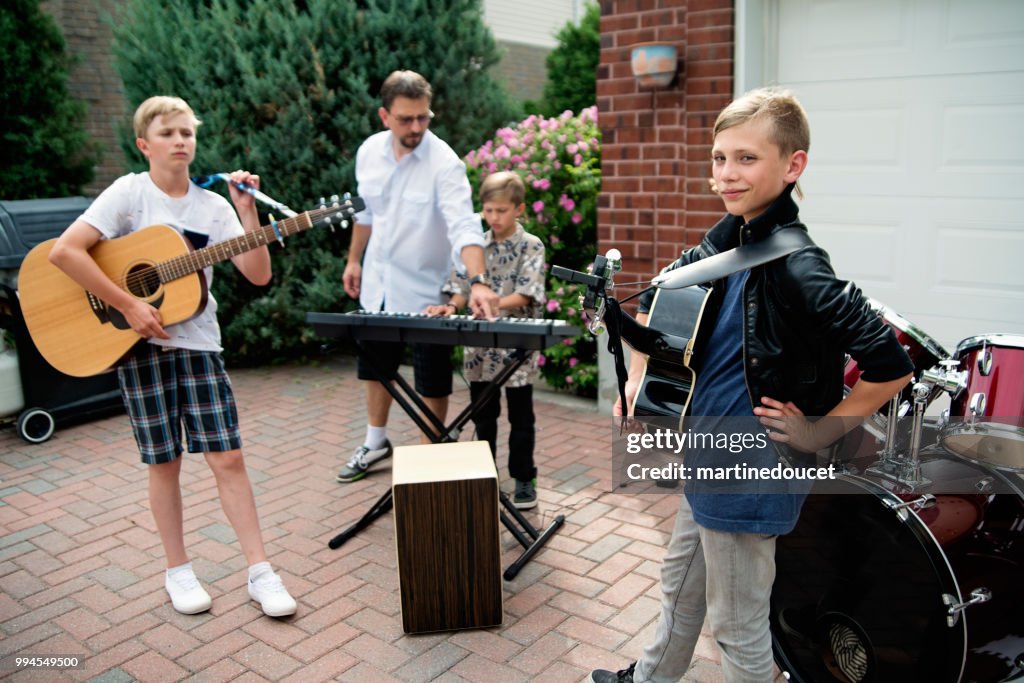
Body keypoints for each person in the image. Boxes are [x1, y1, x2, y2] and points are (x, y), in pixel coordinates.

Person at [588, 88, 914, 682]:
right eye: (719, 158)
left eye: (746, 158)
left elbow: (891, 365)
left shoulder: (798, 263)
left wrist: (819, 432)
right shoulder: (731, 237)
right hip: (709, 454)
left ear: (793, 166)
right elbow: (672, 322)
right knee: (681, 584)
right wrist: (631, 364)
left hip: (750, 470)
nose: (727, 174)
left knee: (737, 628)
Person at [48, 96, 297, 618]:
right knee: (163, 462)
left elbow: (258, 275)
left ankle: (260, 571)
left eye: (187, 132)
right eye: (168, 133)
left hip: (199, 343)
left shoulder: (214, 208)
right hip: (139, 345)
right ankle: (178, 571)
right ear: (145, 144)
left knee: (228, 456)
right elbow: (64, 253)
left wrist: (247, 210)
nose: (181, 140)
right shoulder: (129, 194)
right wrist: (128, 304)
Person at [338, 69, 500, 483]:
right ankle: (376, 442)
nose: (416, 127)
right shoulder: (369, 152)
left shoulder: (444, 163)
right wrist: (354, 260)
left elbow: (465, 226)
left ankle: (430, 456)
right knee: (375, 367)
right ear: (384, 116)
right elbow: (365, 213)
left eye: (423, 118)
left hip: (430, 289)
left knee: (432, 376)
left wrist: (478, 280)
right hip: (378, 283)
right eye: (406, 119)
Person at [425, 171, 546, 509]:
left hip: (517, 347)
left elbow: (527, 294)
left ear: (519, 209)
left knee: (522, 418)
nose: (494, 218)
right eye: (488, 211)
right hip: (479, 351)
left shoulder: (531, 245)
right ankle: (485, 474)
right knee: (483, 416)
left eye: (502, 211)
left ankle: (524, 478)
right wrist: (449, 306)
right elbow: (461, 289)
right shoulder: (473, 246)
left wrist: (491, 302)